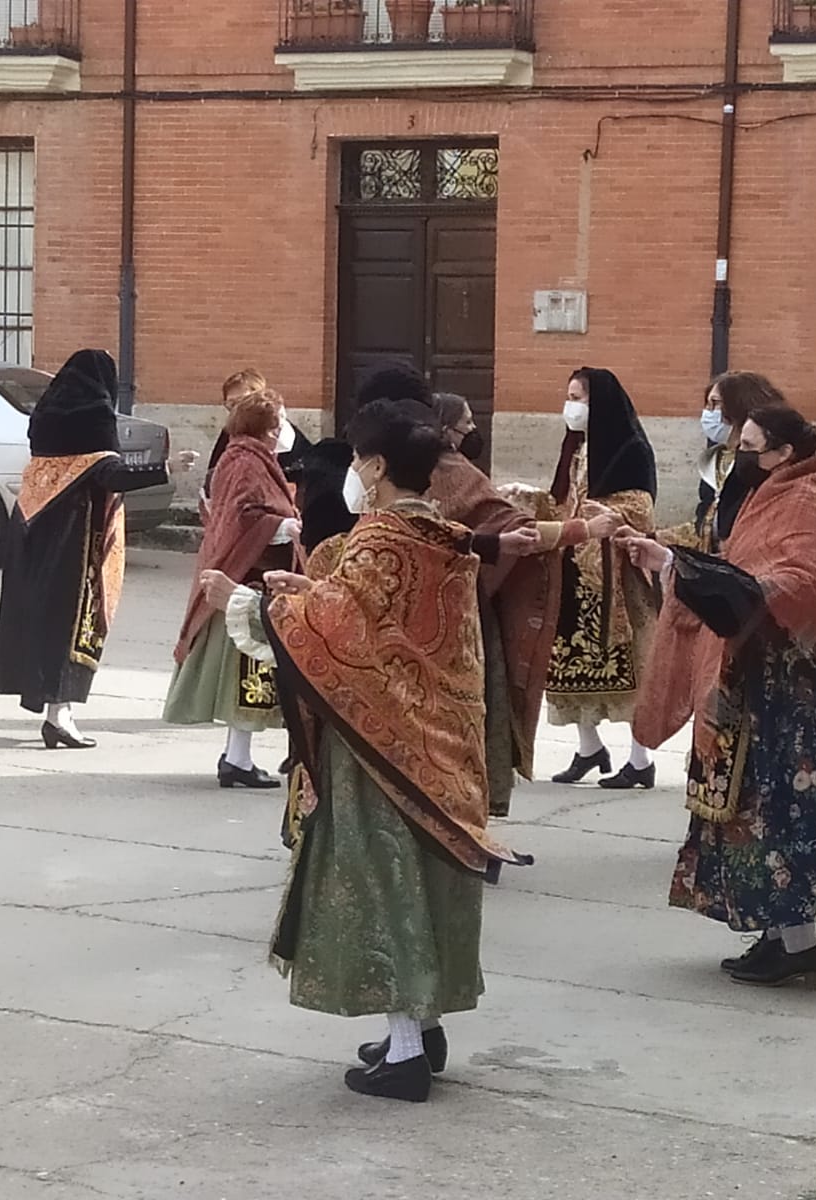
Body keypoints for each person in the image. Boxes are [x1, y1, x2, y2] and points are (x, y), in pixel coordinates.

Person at [198, 400, 530, 1103]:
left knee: (386, 888)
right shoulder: (439, 534)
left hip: (380, 746)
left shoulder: (381, 541)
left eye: (354, 461)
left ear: (375, 468)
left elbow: (347, 633)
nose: (350, 472)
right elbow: (381, 626)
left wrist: (247, 601)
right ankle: (422, 1030)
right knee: (425, 888)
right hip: (436, 742)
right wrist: (308, 591)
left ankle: (406, 1054)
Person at [624, 404, 816, 989]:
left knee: (788, 814)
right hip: (759, 684)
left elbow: (800, 580)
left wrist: (738, 587)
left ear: (782, 454)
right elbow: (736, 568)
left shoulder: (804, 502)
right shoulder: (769, 495)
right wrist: (672, 563)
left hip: (802, 693)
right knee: (757, 811)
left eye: (751, 448)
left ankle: (799, 947)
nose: (740, 458)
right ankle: (778, 935)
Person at [357, 366, 622, 817]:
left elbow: (482, 534)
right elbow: (477, 535)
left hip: (426, 633)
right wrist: (583, 529)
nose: (469, 434)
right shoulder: (409, 475)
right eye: (465, 426)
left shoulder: (407, 480)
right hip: (438, 630)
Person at [0, 349, 169, 749]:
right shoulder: (94, 414)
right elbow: (109, 476)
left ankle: (52, 709)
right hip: (77, 539)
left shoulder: (46, 416)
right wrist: (163, 469)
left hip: (31, 534)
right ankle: (60, 716)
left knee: (39, 619)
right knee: (71, 624)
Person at [164, 390, 300, 788]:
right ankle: (237, 760)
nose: (284, 429)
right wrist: (278, 528)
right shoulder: (245, 462)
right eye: (279, 422)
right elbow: (241, 515)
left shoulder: (248, 457)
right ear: (266, 428)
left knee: (245, 682)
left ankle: (237, 757)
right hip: (246, 584)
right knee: (247, 680)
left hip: (247, 581)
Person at [543, 367, 662, 790]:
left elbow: (643, 508)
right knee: (570, 662)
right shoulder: (575, 449)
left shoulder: (629, 448)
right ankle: (589, 747)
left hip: (618, 576)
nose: (572, 406)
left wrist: (608, 518)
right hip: (574, 567)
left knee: (631, 665)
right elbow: (561, 500)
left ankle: (640, 757)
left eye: (580, 398)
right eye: (570, 396)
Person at [660, 371, 787, 553]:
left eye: (715, 404)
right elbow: (703, 525)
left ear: (740, 406)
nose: (708, 413)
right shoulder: (715, 461)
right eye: (707, 405)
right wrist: (653, 538)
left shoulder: (765, 463)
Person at [200, 368, 311, 519]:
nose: (236, 411)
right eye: (231, 405)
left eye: (242, 402)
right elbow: (214, 477)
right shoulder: (230, 433)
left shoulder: (287, 436)